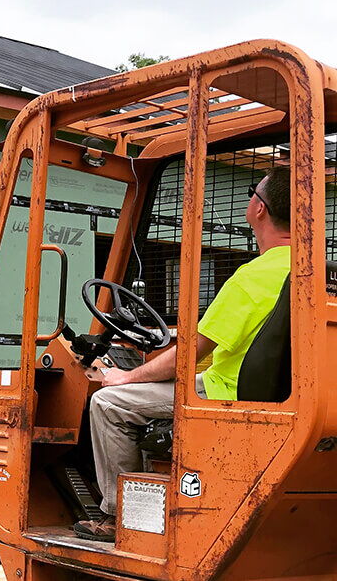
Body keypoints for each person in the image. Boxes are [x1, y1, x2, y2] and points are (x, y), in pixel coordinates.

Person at [73, 167, 292, 542]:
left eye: (252, 193)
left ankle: (117, 519)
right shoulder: (314, 272)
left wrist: (124, 376)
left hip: (229, 391)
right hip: (283, 394)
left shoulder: (252, 278)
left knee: (110, 403)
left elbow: (187, 354)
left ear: (259, 208)